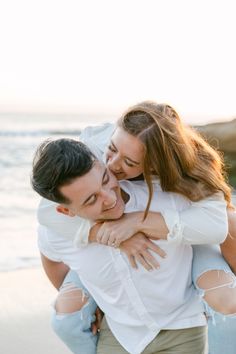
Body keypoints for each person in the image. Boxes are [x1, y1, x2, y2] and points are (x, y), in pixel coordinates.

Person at [33, 102, 236, 353]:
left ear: (154, 166)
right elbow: (46, 211)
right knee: (66, 315)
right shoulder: (96, 146)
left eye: (129, 162)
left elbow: (218, 226)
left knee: (225, 296)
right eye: (113, 149)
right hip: (122, 324)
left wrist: (137, 221)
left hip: (190, 243)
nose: (114, 165)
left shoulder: (186, 175)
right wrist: (105, 235)